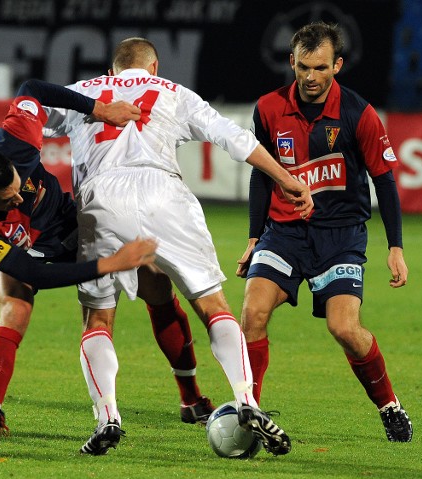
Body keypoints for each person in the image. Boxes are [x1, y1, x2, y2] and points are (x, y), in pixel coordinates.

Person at [44, 37, 313, 456]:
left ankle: (108, 417)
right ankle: (246, 400)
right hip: (164, 195)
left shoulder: (83, 92)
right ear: (153, 69)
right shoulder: (173, 92)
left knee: (98, 319)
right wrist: (285, 177)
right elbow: (233, 137)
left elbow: (24, 122)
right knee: (214, 306)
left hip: (101, 198)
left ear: (112, 73)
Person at [0, 78, 158, 455]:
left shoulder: (19, 138)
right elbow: (31, 274)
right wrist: (108, 264)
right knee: (15, 308)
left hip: (64, 223)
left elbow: (32, 88)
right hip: (18, 251)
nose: (18, 195)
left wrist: (98, 108)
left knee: (154, 281)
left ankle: (191, 397)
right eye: (8, 199)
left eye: (18, 185)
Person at [236, 21, 413, 442]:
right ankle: (252, 416)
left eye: (319, 67)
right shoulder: (268, 108)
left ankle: (389, 405)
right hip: (284, 233)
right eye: (302, 67)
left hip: (341, 236)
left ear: (337, 65)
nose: (310, 77)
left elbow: (384, 181)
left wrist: (396, 247)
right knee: (251, 314)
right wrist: (253, 235)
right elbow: (262, 176)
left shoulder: (358, 113)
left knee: (344, 328)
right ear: (291, 62)